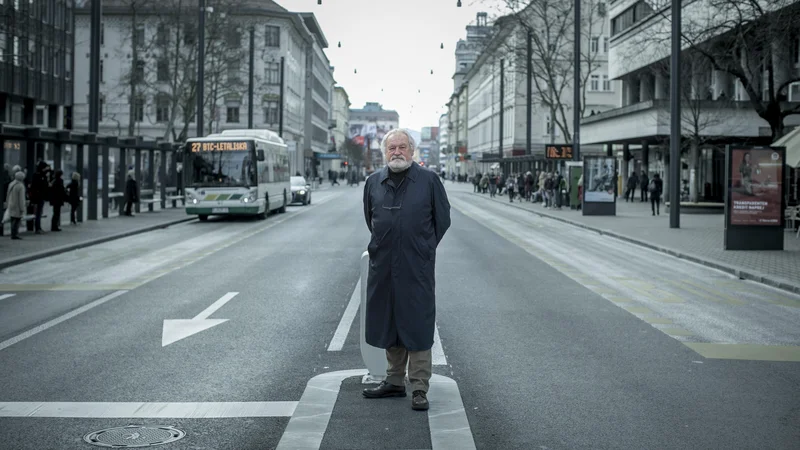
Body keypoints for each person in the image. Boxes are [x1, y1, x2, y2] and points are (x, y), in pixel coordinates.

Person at [361, 128, 451, 411]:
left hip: (416, 265)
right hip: (384, 264)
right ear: (384, 152)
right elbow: (370, 218)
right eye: (392, 148)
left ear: (412, 151)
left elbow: (442, 220)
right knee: (390, 320)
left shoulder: (429, 181)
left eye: (402, 147)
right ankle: (394, 381)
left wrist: (423, 247)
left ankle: (419, 387)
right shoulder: (374, 182)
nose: (397, 152)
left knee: (417, 323)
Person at [5, 170, 26, 240]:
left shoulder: (11, 184)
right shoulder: (20, 186)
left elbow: (7, 194)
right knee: (17, 220)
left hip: (11, 203)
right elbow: (21, 198)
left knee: (12, 219)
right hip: (17, 205)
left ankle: (13, 233)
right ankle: (15, 234)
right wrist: (22, 208)